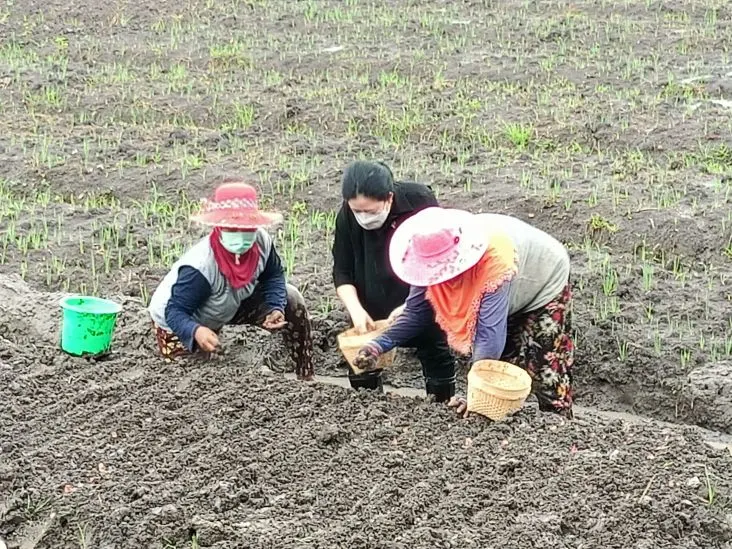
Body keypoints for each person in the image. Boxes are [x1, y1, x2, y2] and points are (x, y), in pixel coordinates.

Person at [355, 207, 574, 418]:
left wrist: (475, 398)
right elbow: (415, 313)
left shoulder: (494, 261)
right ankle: (509, 427)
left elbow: (488, 335)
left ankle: (560, 429)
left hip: (543, 278)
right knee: (504, 369)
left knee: (546, 370)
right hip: (508, 286)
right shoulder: (425, 260)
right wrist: (377, 346)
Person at [148, 178, 314, 380]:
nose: (241, 235)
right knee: (193, 378)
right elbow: (174, 311)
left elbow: (273, 275)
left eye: (246, 229)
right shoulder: (200, 267)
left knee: (291, 297)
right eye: (232, 229)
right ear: (219, 227)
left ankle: (305, 376)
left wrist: (275, 306)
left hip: (229, 301)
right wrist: (196, 331)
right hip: (181, 318)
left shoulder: (261, 242)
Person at [332, 160, 457, 401]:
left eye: (369, 211)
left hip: (419, 292)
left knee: (434, 348)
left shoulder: (420, 202)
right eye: (356, 210)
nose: (362, 217)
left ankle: (441, 408)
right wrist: (356, 310)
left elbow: (438, 259)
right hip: (371, 293)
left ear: (389, 198)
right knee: (362, 356)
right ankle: (367, 408)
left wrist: (412, 303)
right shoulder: (347, 216)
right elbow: (342, 269)